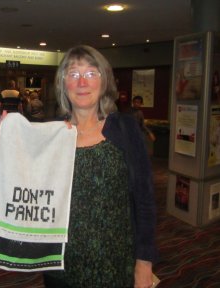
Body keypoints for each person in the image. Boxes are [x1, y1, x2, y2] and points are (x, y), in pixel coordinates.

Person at [42, 45, 158, 287]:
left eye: (91, 73)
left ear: (104, 81)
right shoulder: (50, 134)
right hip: (60, 267)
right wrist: (5, 146)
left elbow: (145, 201)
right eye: (73, 74)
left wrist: (144, 263)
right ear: (64, 84)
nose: (82, 82)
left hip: (116, 265)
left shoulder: (125, 129)